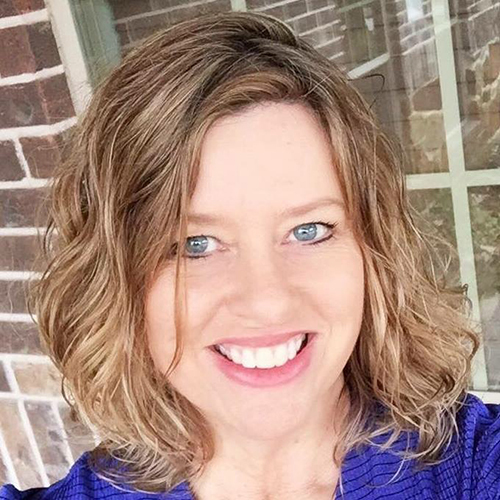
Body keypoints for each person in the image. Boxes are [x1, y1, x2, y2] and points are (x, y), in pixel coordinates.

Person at [1, 10, 499, 500]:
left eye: (308, 231)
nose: (267, 302)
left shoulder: (472, 466)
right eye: (195, 245)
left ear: (373, 252)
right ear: (117, 279)